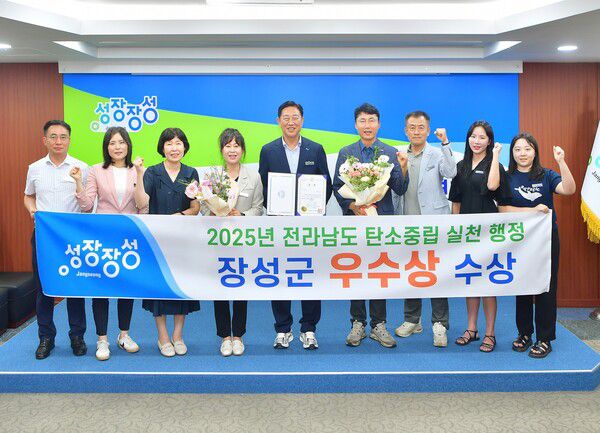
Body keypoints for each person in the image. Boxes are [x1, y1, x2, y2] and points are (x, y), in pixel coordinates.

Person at [333, 103, 409, 348]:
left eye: (372, 120)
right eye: (363, 121)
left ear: (379, 124)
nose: (367, 125)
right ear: (356, 125)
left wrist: (403, 167)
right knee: (356, 271)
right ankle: (357, 323)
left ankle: (379, 324)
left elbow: (400, 188)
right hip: (355, 221)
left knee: (378, 271)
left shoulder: (390, 152)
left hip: (381, 221)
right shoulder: (346, 152)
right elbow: (337, 186)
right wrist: (353, 206)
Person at [258, 100, 332, 350]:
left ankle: (309, 328)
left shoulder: (316, 149)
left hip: (309, 226)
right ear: (278, 121)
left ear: (302, 120)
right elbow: (264, 187)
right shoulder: (268, 150)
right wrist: (277, 210)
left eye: (295, 117)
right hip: (279, 226)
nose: (291, 122)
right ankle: (283, 329)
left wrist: (314, 211)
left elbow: (326, 185)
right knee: (280, 274)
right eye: (286, 117)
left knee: (309, 274)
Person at [71, 126, 148, 361]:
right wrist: (78, 182)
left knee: (126, 286)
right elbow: (86, 206)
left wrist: (140, 174)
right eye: (112, 142)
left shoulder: (137, 170)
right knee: (101, 288)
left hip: (128, 236)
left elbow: (142, 205)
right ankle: (102, 339)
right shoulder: (96, 170)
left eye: (121, 142)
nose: (117, 147)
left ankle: (124, 335)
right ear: (106, 146)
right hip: (103, 236)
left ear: (128, 145)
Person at [498, 132, 575, 358]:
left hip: (546, 240)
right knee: (522, 287)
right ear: (512, 153)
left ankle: (544, 338)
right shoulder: (507, 177)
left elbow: (569, 189)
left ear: (535, 152)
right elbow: (502, 209)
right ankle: (524, 333)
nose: (522, 153)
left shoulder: (547, 175)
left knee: (545, 287)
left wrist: (561, 162)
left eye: (527, 149)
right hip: (518, 240)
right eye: (517, 149)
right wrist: (532, 210)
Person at [24, 120, 88, 360]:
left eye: (63, 137)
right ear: (45, 140)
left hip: (73, 238)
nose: (58, 141)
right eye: (53, 137)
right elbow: (28, 196)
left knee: (75, 287)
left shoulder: (82, 168)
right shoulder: (35, 168)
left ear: (69, 140)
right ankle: (46, 337)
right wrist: (32, 210)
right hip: (44, 236)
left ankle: (77, 336)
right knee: (44, 288)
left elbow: (87, 204)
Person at [393, 110, 457, 347]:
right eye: (412, 127)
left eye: (421, 127)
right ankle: (412, 320)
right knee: (411, 272)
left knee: (436, 274)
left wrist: (445, 143)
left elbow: (451, 172)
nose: (416, 131)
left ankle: (440, 323)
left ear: (428, 131)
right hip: (407, 225)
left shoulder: (437, 153)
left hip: (433, 225)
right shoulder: (398, 155)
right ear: (405, 131)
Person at [136, 127, 201, 357]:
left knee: (181, 286)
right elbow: (141, 203)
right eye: (169, 143)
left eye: (178, 143)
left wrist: (180, 216)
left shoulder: (191, 173)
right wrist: (139, 174)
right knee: (159, 287)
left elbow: (196, 207)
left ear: (185, 147)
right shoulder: (152, 173)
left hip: (183, 239)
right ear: (162, 147)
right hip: (157, 240)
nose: (174, 148)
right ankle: (163, 337)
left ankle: (178, 336)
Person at [449, 120, 508, 353]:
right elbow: (456, 200)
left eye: (482, 137)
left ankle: (490, 333)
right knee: (471, 281)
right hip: (466, 233)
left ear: (489, 141)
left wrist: (495, 156)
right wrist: (455, 231)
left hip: (488, 233)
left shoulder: (495, 165)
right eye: (473, 136)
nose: (477, 141)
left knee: (488, 284)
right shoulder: (460, 166)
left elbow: (494, 187)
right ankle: (471, 329)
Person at [211, 128, 263, 357]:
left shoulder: (254, 176)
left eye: (236, 146)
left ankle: (238, 335)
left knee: (242, 287)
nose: (232, 150)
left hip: (244, 241)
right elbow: (204, 208)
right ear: (222, 150)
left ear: (242, 150)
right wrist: (218, 212)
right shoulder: (213, 176)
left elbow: (258, 208)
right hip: (219, 241)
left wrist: (241, 215)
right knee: (220, 288)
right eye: (228, 146)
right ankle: (225, 336)